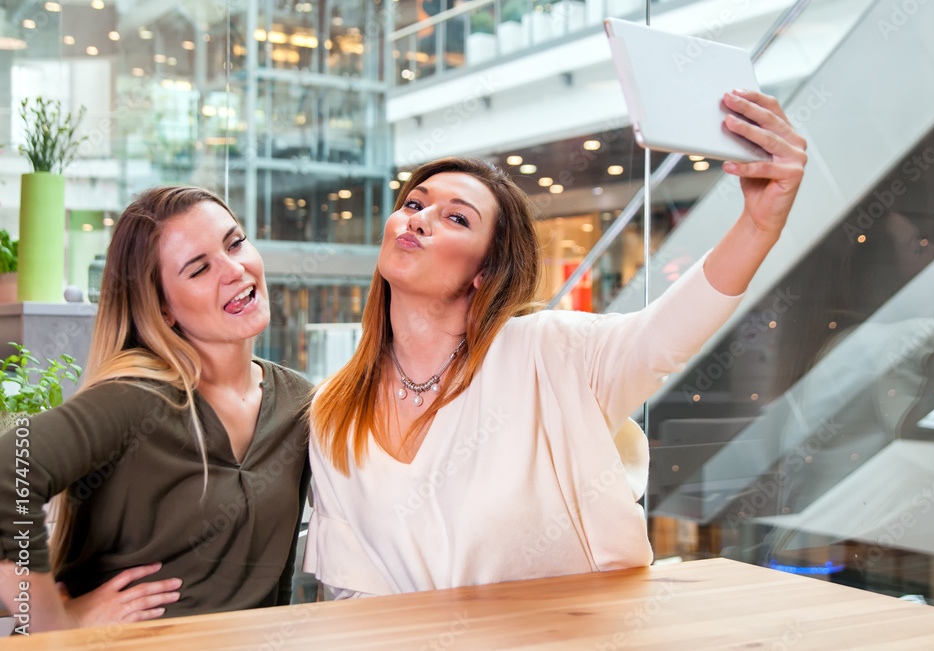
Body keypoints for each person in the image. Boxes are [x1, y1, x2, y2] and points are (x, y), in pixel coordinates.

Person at [304, 89, 808, 598]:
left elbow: (662, 338)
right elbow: (347, 591)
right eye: (414, 203)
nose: (418, 218)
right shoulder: (333, 408)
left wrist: (758, 225)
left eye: (456, 218)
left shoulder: (546, 353)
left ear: (485, 272)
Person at [0, 187, 312, 631]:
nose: (234, 269)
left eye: (235, 242)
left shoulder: (299, 402)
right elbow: (8, 468)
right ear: (162, 308)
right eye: (199, 269)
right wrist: (54, 624)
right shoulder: (139, 398)